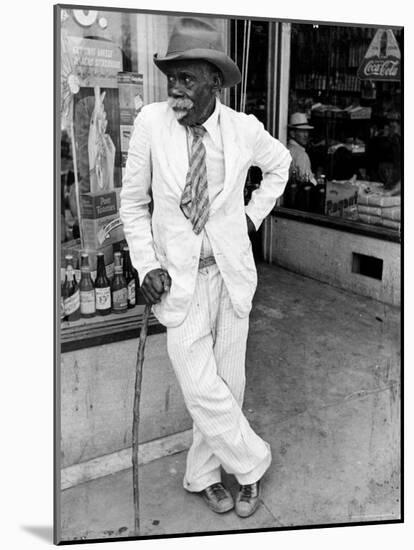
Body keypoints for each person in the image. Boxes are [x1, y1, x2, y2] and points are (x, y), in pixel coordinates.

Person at [120, 17, 291, 518]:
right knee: (200, 384)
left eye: (188, 78)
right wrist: (144, 263)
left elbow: (279, 166)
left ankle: (203, 476)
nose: (176, 88)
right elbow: (132, 205)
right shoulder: (152, 123)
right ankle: (253, 464)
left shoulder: (243, 130)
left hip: (232, 273)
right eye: (172, 77)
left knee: (228, 385)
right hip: (180, 280)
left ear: (215, 81)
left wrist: (251, 216)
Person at [287, 112, 317, 184]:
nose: (306, 135)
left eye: (306, 131)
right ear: (292, 134)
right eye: (302, 131)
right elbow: (309, 182)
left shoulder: (287, 148)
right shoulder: (301, 155)